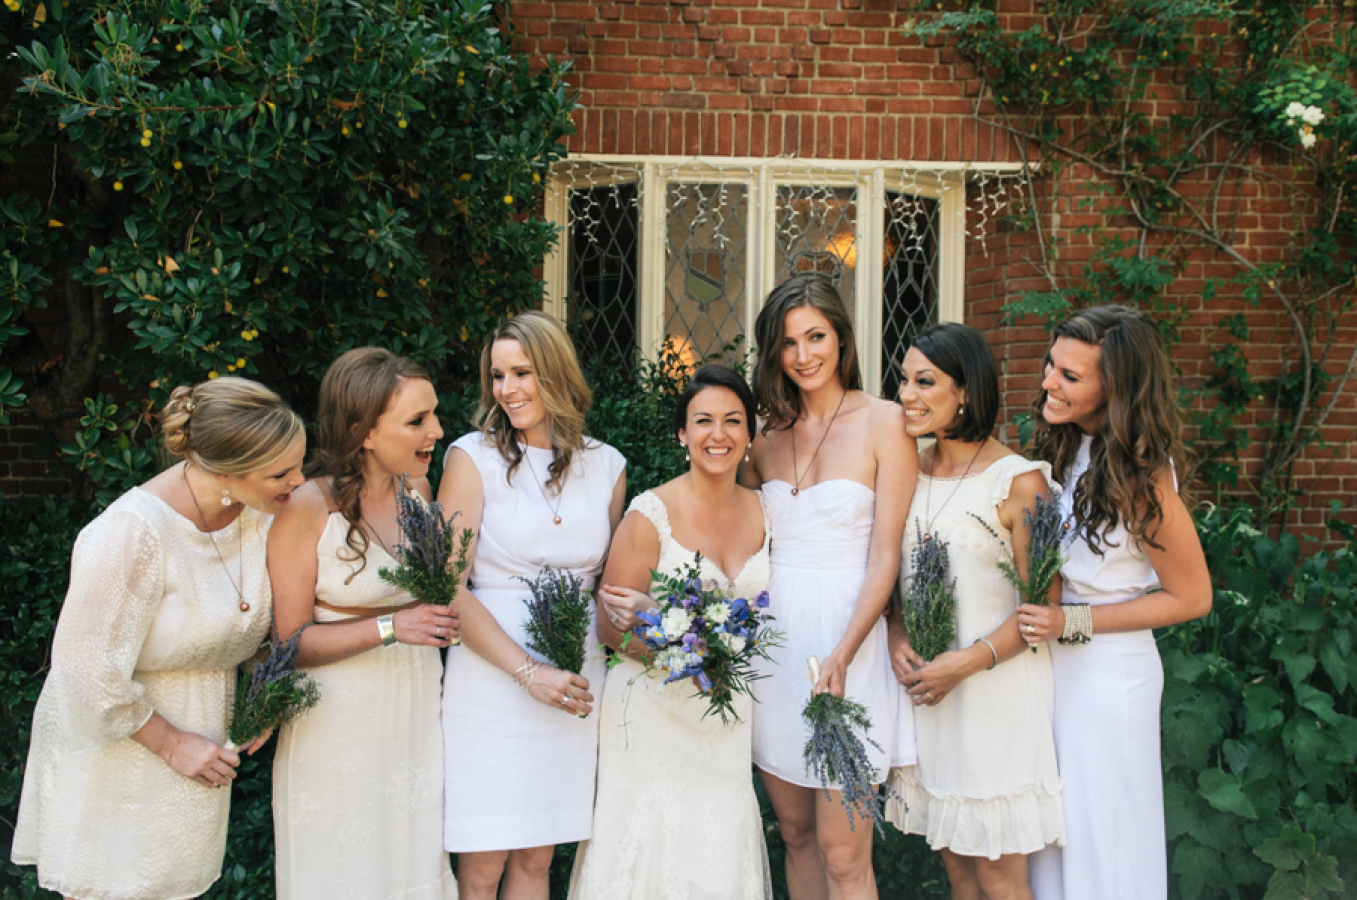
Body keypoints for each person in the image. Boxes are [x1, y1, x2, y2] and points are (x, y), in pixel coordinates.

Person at [12, 377, 305, 900]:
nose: (298, 481)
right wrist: (172, 745)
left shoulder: (259, 513)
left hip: (201, 747)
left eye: (298, 465)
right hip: (120, 748)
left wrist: (264, 694)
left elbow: (241, 624)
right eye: (280, 473)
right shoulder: (132, 532)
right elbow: (85, 672)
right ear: (224, 472)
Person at [1021, 306, 1212, 900]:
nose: (1049, 382)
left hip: (1109, 680)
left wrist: (1071, 621)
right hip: (1055, 665)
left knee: (1104, 841)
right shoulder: (1065, 447)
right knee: (1055, 838)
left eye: (1070, 376)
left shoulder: (1142, 476)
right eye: (1051, 365)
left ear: (1117, 389)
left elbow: (1192, 597)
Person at [741, 273, 917, 900]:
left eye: (815, 337)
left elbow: (887, 555)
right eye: (788, 343)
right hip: (777, 651)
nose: (803, 355)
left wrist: (845, 652)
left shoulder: (887, 423)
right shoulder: (763, 436)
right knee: (795, 834)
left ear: (841, 337)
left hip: (853, 647)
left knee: (844, 854)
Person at [439, 311, 626, 900]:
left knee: (538, 856)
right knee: (482, 865)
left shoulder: (608, 465)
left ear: (556, 372)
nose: (507, 389)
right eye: (497, 376)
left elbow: (607, 583)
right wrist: (527, 672)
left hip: (574, 677)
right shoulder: (471, 457)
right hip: (491, 677)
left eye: (521, 372)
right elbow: (448, 587)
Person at [569, 364, 773, 900]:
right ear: (682, 433)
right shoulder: (650, 514)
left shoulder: (767, 511)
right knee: (648, 851)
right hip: (653, 712)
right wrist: (690, 663)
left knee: (717, 852)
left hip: (725, 718)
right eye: (703, 421)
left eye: (733, 420)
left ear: (749, 434)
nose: (718, 434)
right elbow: (609, 627)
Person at [883, 323, 1065, 900]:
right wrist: (896, 634)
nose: (907, 395)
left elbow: (1045, 607)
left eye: (925, 382)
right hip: (931, 697)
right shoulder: (907, 470)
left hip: (996, 697)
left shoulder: (1021, 481)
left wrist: (964, 664)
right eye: (904, 380)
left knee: (999, 878)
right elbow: (895, 577)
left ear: (965, 391)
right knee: (959, 872)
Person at [269, 348, 458, 900]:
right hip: (337, 724)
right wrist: (392, 627)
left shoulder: (418, 494)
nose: (437, 431)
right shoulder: (307, 508)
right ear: (364, 431)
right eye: (418, 420)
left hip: (415, 714)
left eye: (434, 415)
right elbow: (289, 642)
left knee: (410, 863)